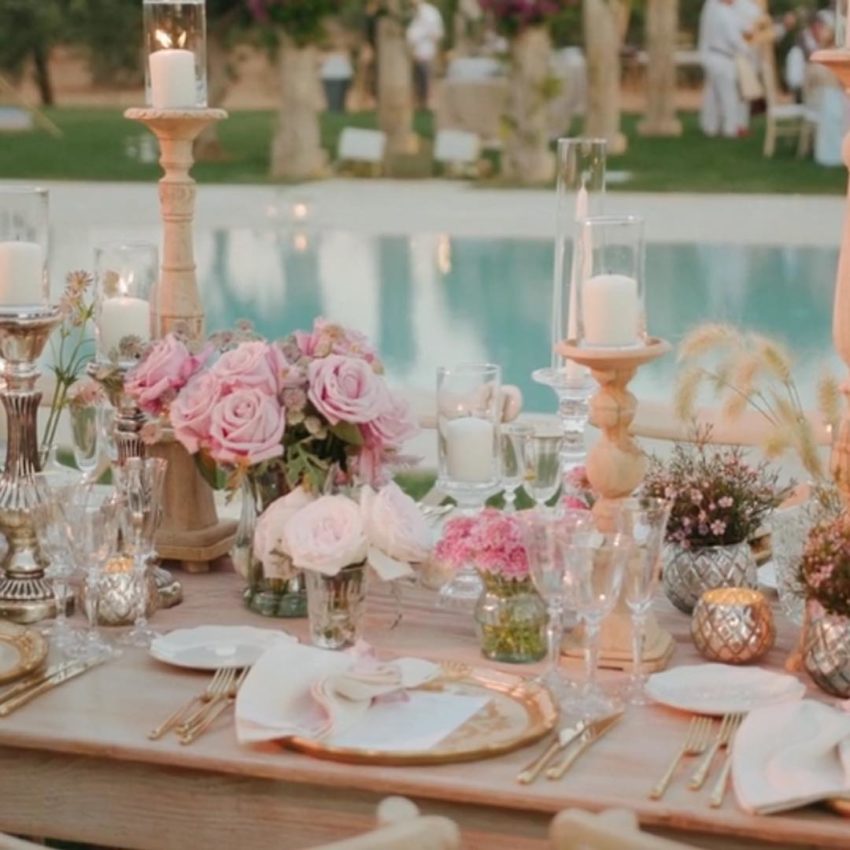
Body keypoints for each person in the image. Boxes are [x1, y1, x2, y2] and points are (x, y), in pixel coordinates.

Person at [698, 0, 749, 138]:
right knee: (729, 96)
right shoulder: (724, 13)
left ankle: (711, 127)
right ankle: (730, 129)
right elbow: (733, 39)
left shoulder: (715, 11)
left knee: (714, 96)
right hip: (723, 57)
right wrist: (746, 49)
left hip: (713, 56)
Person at [406, 0, 445, 108]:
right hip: (416, 53)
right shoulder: (414, 12)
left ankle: (428, 102)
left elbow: (436, 33)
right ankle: (420, 102)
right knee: (418, 80)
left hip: (425, 53)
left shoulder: (429, 13)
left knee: (426, 79)